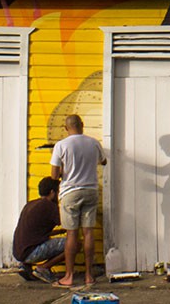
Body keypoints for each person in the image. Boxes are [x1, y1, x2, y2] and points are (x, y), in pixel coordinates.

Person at [50, 114, 106, 288]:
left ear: (66, 128)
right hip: (90, 190)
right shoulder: (93, 143)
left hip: (70, 192)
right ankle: (89, 275)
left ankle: (69, 276)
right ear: (82, 124)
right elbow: (104, 161)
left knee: (72, 234)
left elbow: (54, 175)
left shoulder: (61, 145)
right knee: (88, 232)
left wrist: (64, 170)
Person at [12, 176, 66, 284]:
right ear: (52, 192)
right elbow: (67, 222)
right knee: (73, 244)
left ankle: (26, 266)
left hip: (19, 253)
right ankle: (44, 268)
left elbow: (38, 233)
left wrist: (60, 232)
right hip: (32, 252)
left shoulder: (30, 204)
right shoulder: (49, 206)